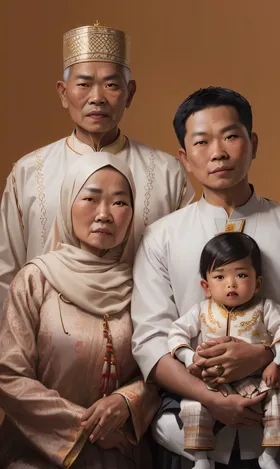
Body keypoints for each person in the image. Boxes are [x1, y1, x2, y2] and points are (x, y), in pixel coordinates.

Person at [131, 86, 280, 469]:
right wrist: (208, 395)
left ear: (253, 142)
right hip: (189, 435)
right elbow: (149, 338)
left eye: (230, 136)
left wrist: (264, 359)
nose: (218, 152)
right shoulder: (161, 236)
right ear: (184, 157)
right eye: (202, 142)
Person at [0, 22, 194, 308]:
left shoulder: (168, 173)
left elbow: (187, 269)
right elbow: (7, 272)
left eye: (111, 85)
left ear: (130, 93)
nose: (97, 98)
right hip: (44, 338)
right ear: (63, 93)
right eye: (83, 84)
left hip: (140, 338)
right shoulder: (29, 171)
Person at [0, 153, 161, 469]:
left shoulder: (142, 286)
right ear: (66, 203)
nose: (105, 214)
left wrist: (126, 402)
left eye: (119, 203)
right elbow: (8, 374)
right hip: (37, 453)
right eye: (90, 198)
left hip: (120, 451)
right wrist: (83, 426)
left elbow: (160, 369)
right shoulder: (36, 280)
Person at [169, 232, 280, 469]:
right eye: (220, 276)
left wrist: (277, 362)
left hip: (256, 380)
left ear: (257, 282)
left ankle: (270, 456)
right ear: (206, 287)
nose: (231, 284)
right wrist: (190, 358)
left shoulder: (265, 308)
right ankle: (201, 461)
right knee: (193, 405)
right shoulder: (201, 311)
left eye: (241, 275)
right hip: (213, 383)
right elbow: (176, 334)